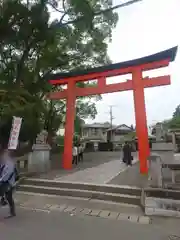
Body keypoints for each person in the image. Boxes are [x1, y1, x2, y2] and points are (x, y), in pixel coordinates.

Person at [0, 145, 16, 218]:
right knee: (7, 196)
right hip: (4, 182)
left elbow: (8, 173)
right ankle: (11, 211)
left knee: (8, 197)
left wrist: (2, 179)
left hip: (8, 182)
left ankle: (12, 212)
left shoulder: (10, 162)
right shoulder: (4, 161)